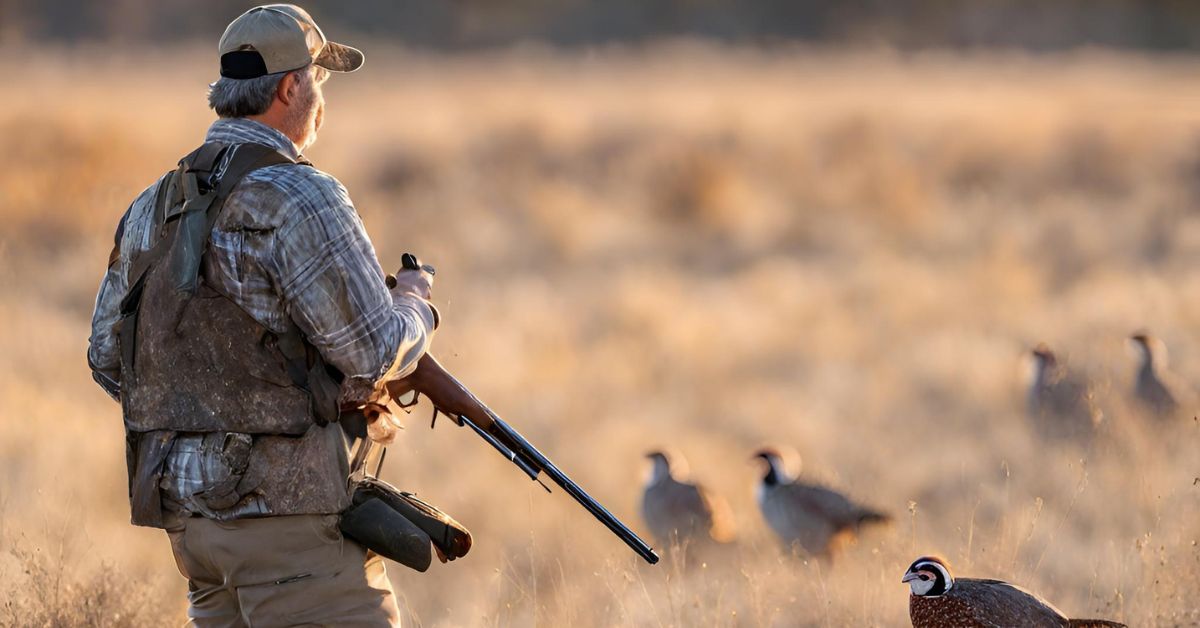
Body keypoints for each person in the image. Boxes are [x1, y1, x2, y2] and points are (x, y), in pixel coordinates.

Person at [87, 5, 435, 625]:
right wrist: (416, 303)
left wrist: (213, 407)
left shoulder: (151, 203)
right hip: (290, 531)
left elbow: (107, 357)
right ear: (288, 87)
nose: (321, 96)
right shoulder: (303, 193)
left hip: (192, 535)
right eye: (318, 80)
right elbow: (373, 349)